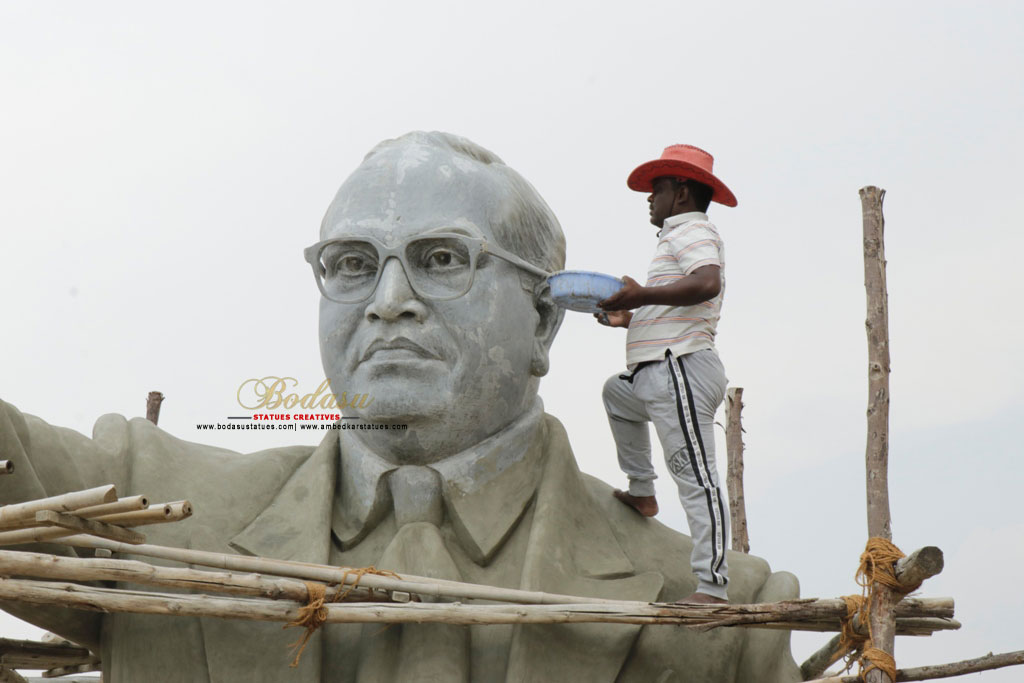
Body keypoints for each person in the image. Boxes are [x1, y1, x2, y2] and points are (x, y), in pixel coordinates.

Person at [0, 133, 800, 682]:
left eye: (442, 259)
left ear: (545, 319)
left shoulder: (724, 617)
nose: (389, 301)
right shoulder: (143, 509)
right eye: (351, 264)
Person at [597, 143, 737, 606]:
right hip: (658, 371)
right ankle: (642, 492)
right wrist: (631, 318)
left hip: (679, 369)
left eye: (656, 188)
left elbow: (707, 283)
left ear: (680, 192)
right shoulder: (676, 236)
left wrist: (638, 297)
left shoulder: (692, 229)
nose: (649, 197)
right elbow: (680, 303)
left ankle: (712, 586)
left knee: (695, 474)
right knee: (616, 394)